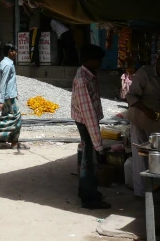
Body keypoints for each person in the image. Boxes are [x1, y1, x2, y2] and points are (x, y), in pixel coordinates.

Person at [126, 51, 160, 197]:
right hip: (139, 118)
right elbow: (131, 96)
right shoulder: (144, 73)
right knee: (140, 155)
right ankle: (141, 192)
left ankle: (155, 189)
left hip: (156, 120)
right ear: (158, 64)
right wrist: (146, 110)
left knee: (156, 155)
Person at [71, 44, 111, 209]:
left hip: (85, 119)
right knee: (89, 160)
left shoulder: (89, 74)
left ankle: (85, 191)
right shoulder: (82, 80)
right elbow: (88, 115)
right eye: (98, 60)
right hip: (85, 121)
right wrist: (99, 144)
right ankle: (90, 199)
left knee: (87, 156)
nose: (100, 63)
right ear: (89, 60)